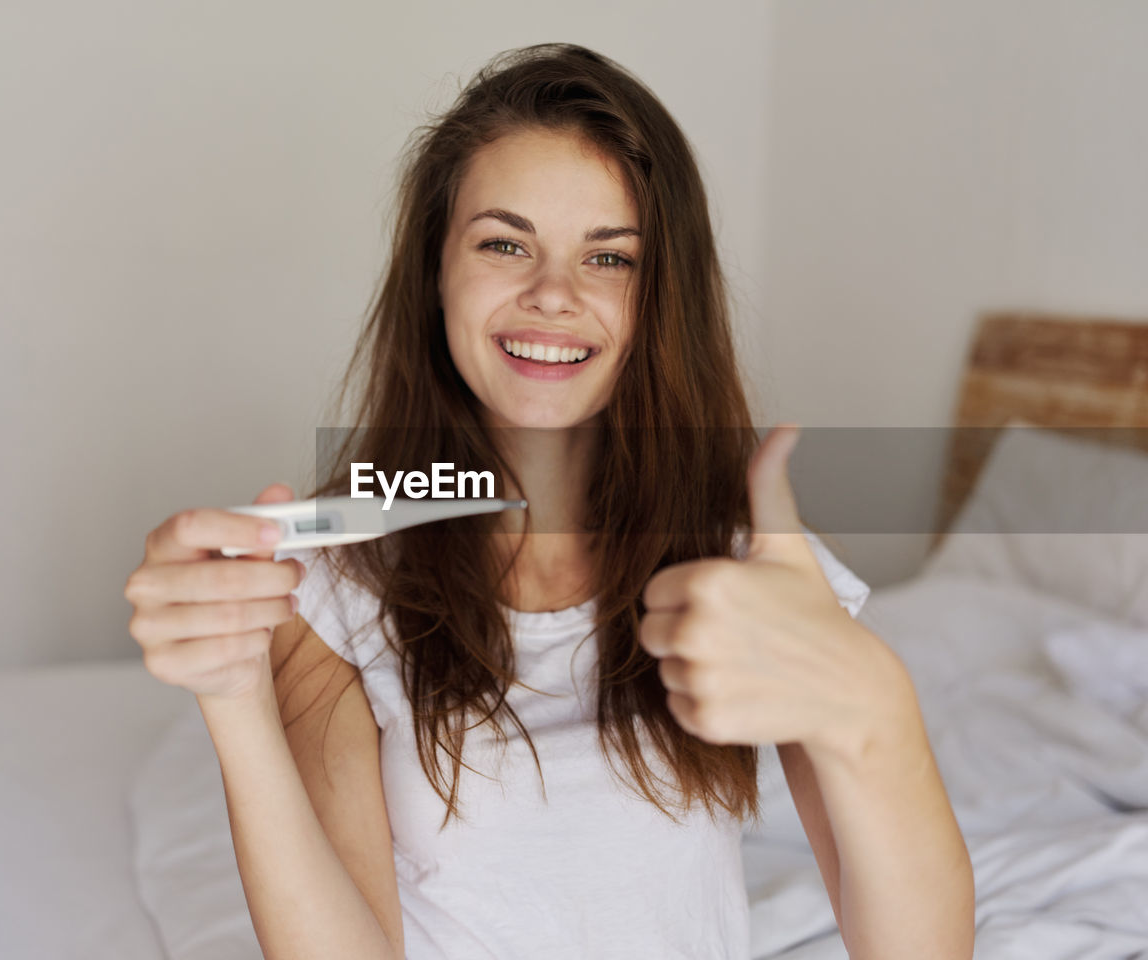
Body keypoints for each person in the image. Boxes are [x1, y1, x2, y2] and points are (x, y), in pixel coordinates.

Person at [125, 43, 974, 960]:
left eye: (609, 259)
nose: (553, 295)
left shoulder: (744, 563)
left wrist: (872, 704)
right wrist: (234, 696)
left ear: (660, 302)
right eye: (504, 243)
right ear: (435, 272)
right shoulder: (336, 580)